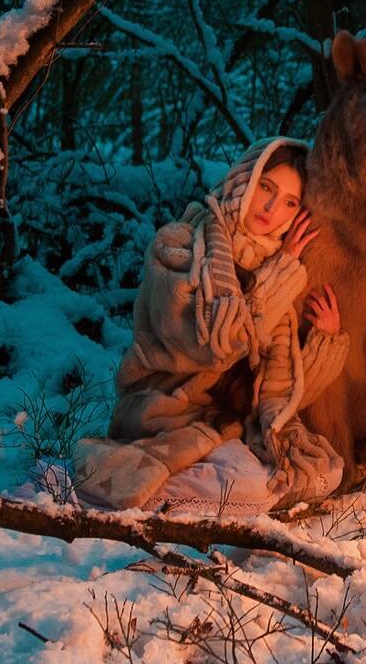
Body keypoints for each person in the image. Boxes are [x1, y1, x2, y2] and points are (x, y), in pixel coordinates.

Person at [74, 137, 348, 516]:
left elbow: (281, 396)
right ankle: (114, 480)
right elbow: (216, 345)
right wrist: (280, 275)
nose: (271, 208)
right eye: (266, 188)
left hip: (225, 427)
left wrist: (324, 342)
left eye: (290, 202)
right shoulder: (181, 244)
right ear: (243, 182)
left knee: (322, 472)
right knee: (252, 486)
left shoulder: (274, 270)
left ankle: (187, 489)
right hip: (162, 414)